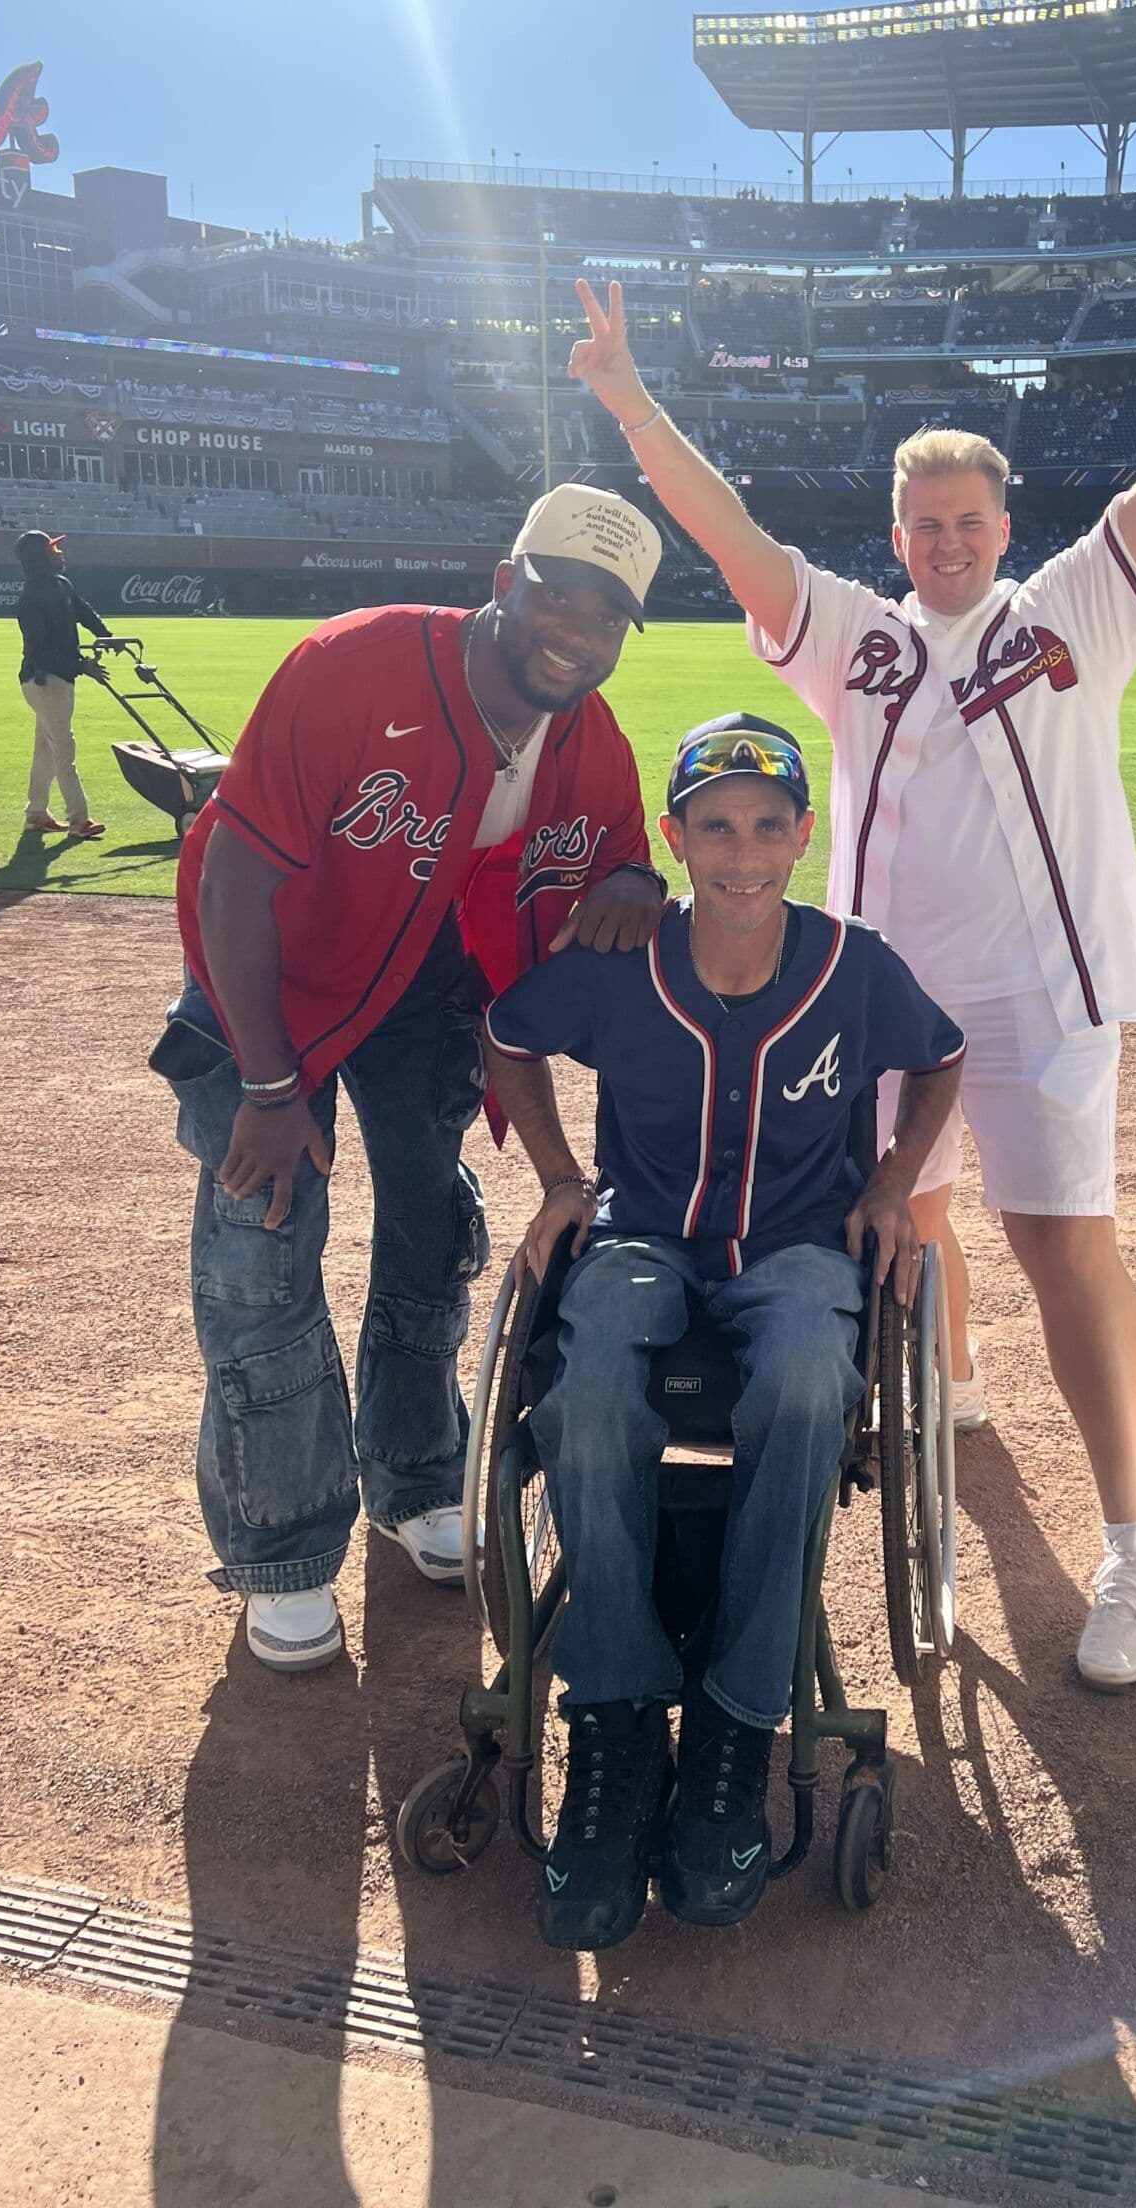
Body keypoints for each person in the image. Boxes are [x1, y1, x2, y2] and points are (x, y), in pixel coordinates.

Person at [566, 180, 1136, 1689]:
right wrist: (632, 405)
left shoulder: (1078, 609)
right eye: (926, 524)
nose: (950, 542)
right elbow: (732, 532)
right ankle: (948, 1407)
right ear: (897, 532)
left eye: (972, 522)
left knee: (1060, 1241)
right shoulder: (855, 636)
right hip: (880, 1001)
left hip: (1045, 992)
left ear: (1003, 528)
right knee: (911, 1223)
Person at [151, 486, 669, 1672]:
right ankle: (282, 1545)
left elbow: (622, 856)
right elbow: (232, 881)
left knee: (433, 1231)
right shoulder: (353, 667)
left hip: (422, 995)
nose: (576, 632)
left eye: (608, 617)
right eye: (558, 596)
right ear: (505, 579)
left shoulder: (590, 744)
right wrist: (275, 1094)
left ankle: (417, 1474)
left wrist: (635, 877)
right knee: (263, 1233)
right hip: (261, 980)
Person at [480, 714, 964, 1951]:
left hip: (801, 1248)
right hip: (645, 1236)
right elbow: (507, 1035)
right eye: (715, 826)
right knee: (585, 1392)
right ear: (675, 837)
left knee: (810, 1377)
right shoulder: (620, 958)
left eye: (766, 825)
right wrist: (554, 1174)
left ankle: (740, 1723)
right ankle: (621, 1721)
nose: (741, 852)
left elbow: (942, 1059)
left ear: (803, 833)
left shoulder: (854, 965)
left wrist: (894, 1180)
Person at [14, 529, 111, 840]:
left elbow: (82, 610)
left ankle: (36, 814)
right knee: (63, 747)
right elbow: (41, 652)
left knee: (46, 746)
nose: (60, 554)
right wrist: (81, 665)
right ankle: (78, 820)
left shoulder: (62, 585)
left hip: (56, 679)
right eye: (53, 551)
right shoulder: (31, 599)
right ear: (40, 558)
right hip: (44, 680)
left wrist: (107, 635)